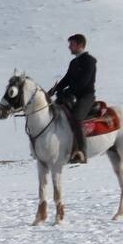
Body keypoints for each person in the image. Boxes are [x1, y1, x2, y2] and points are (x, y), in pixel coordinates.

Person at [46, 33, 96, 165]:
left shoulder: (89, 61)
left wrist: (67, 92)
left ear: (80, 45)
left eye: (71, 44)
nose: (69, 47)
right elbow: (66, 79)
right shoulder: (74, 62)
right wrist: (53, 91)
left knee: (77, 118)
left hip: (86, 96)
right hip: (72, 95)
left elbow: (83, 82)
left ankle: (81, 153)